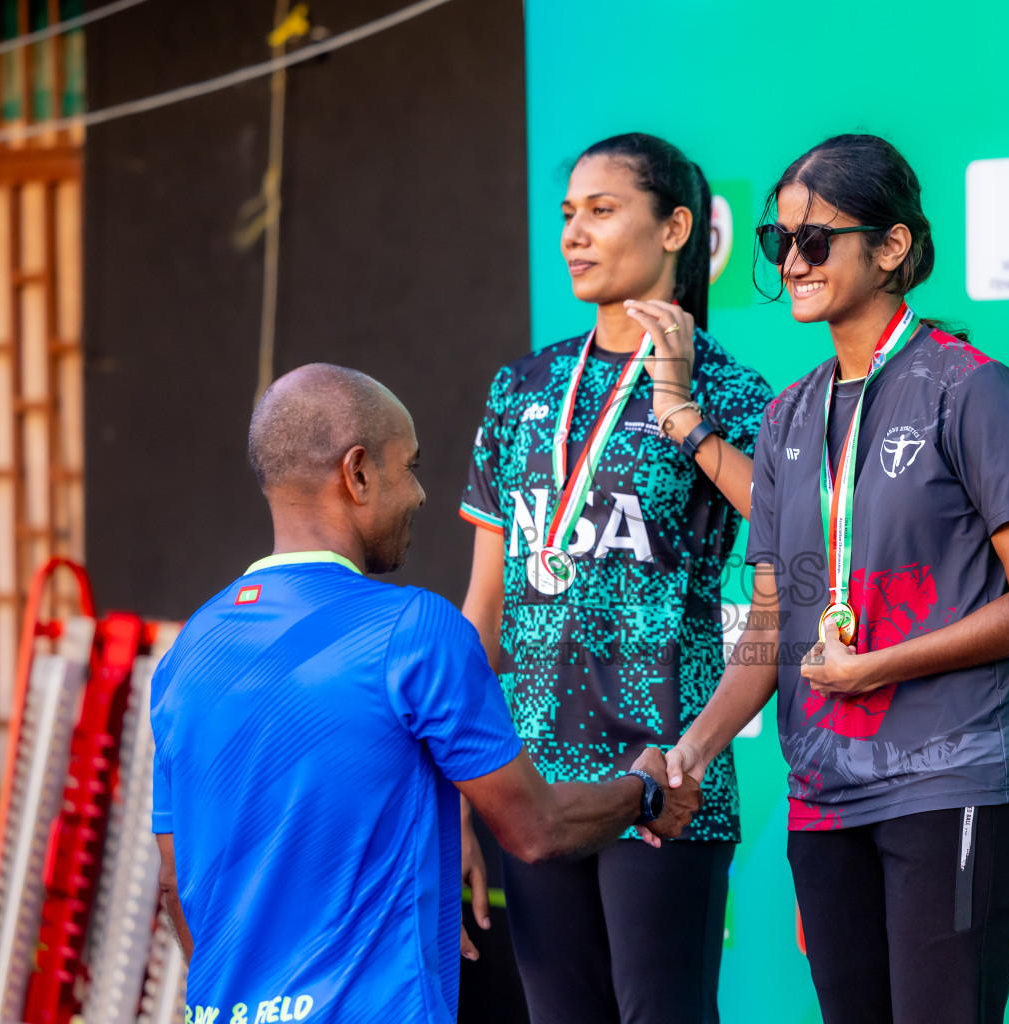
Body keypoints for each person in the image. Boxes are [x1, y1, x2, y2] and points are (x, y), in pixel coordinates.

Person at [664, 134, 1009, 1024]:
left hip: (953, 778)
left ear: (891, 248)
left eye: (816, 240)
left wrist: (879, 666)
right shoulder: (786, 417)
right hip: (823, 795)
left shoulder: (969, 387)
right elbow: (769, 624)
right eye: (779, 244)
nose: (794, 262)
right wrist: (692, 751)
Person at [150, 364, 701, 1024]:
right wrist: (643, 793)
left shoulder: (185, 657)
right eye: (408, 466)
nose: (419, 494)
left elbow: (174, 884)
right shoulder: (415, 629)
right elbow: (538, 828)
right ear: (356, 474)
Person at [457, 132, 771, 1024]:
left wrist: (682, 414)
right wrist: (453, 790)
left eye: (602, 211)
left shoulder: (735, 393)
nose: (574, 236)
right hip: (529, 777)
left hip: (663, 769)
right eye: (567, 216)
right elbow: (484, 606)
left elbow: (803, 540)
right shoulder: (519, 388)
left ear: (677, 228)